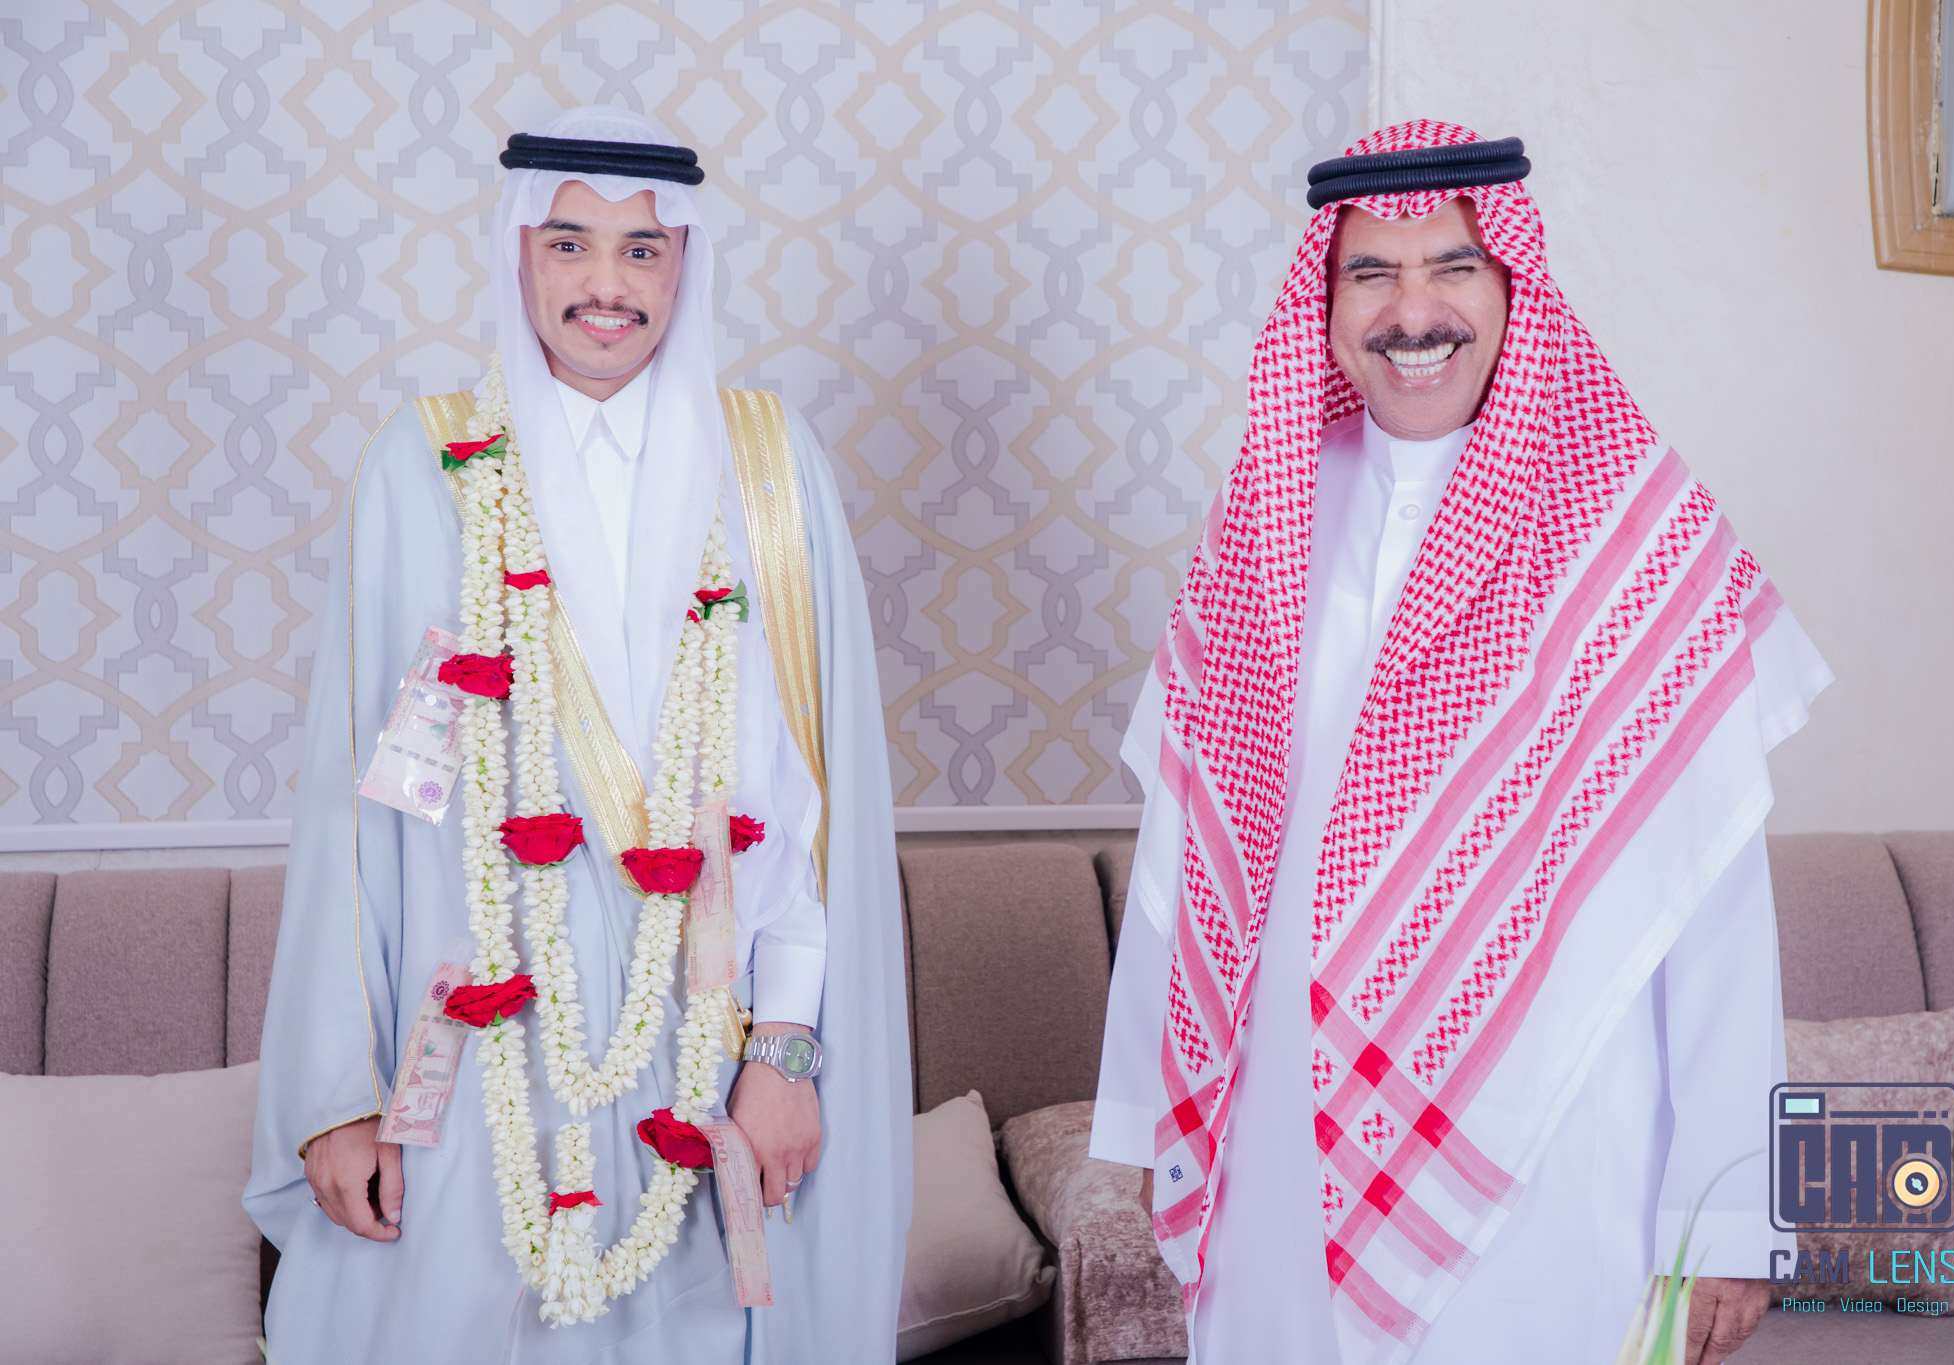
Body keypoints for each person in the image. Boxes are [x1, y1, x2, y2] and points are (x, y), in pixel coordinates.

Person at [1091, 122, 1830, 1365]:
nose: (1411, 311)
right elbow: (1184, 839)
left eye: (1452, 266)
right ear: (1325, 305)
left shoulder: (1628, 535)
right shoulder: (1265, 516)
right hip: (1276, 1128)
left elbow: (1712, 900)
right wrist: (1143, 1117)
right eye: (1370, 273)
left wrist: (1728, 1219)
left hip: (1549, 1137)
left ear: (1510, 287)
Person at [244, 106, 911, 1364]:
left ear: (685, 264)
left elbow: (804, 797)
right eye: (569, 244)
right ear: (517, 253)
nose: (607, 284)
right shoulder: (429, 465)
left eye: (641, 249)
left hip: (706, 1047)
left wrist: (782, 1053)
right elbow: (364, 805)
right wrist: (336, 1094)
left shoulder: (766, 465)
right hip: (478, 1047)